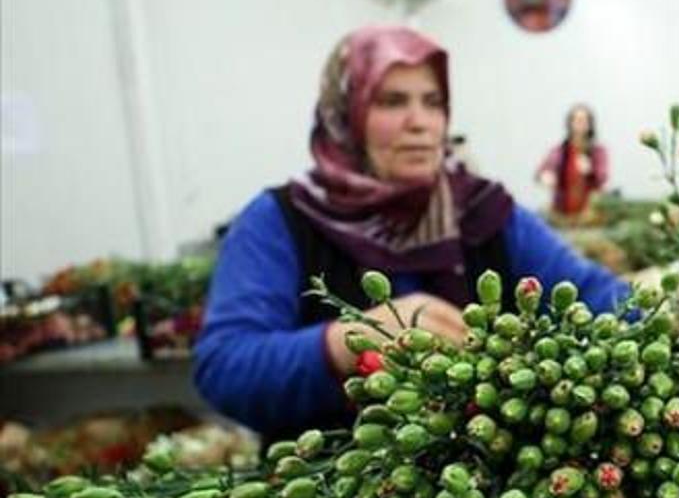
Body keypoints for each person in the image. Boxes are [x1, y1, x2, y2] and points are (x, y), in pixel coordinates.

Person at [195, 26, 629, 443]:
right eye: (391, 101)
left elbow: (594, 297)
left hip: (485, 482)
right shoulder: (281, 221)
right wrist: (345, 341)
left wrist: (659, 309)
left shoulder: (483, 211)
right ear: (344, 114)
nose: (419, 122)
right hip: (337, 482)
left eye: (433, 102)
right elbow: (224, 367)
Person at [536, 104, 609, 218]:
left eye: (584, 120)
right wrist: (545, 176)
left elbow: (602, 179)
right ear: (570, 123)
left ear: (590, 124)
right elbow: (542, 172)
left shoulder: (598, 152)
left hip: (590, 214)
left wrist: (590, 171)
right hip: (561, 211)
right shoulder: (559, 151)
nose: (580, 123)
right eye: (577, 119)